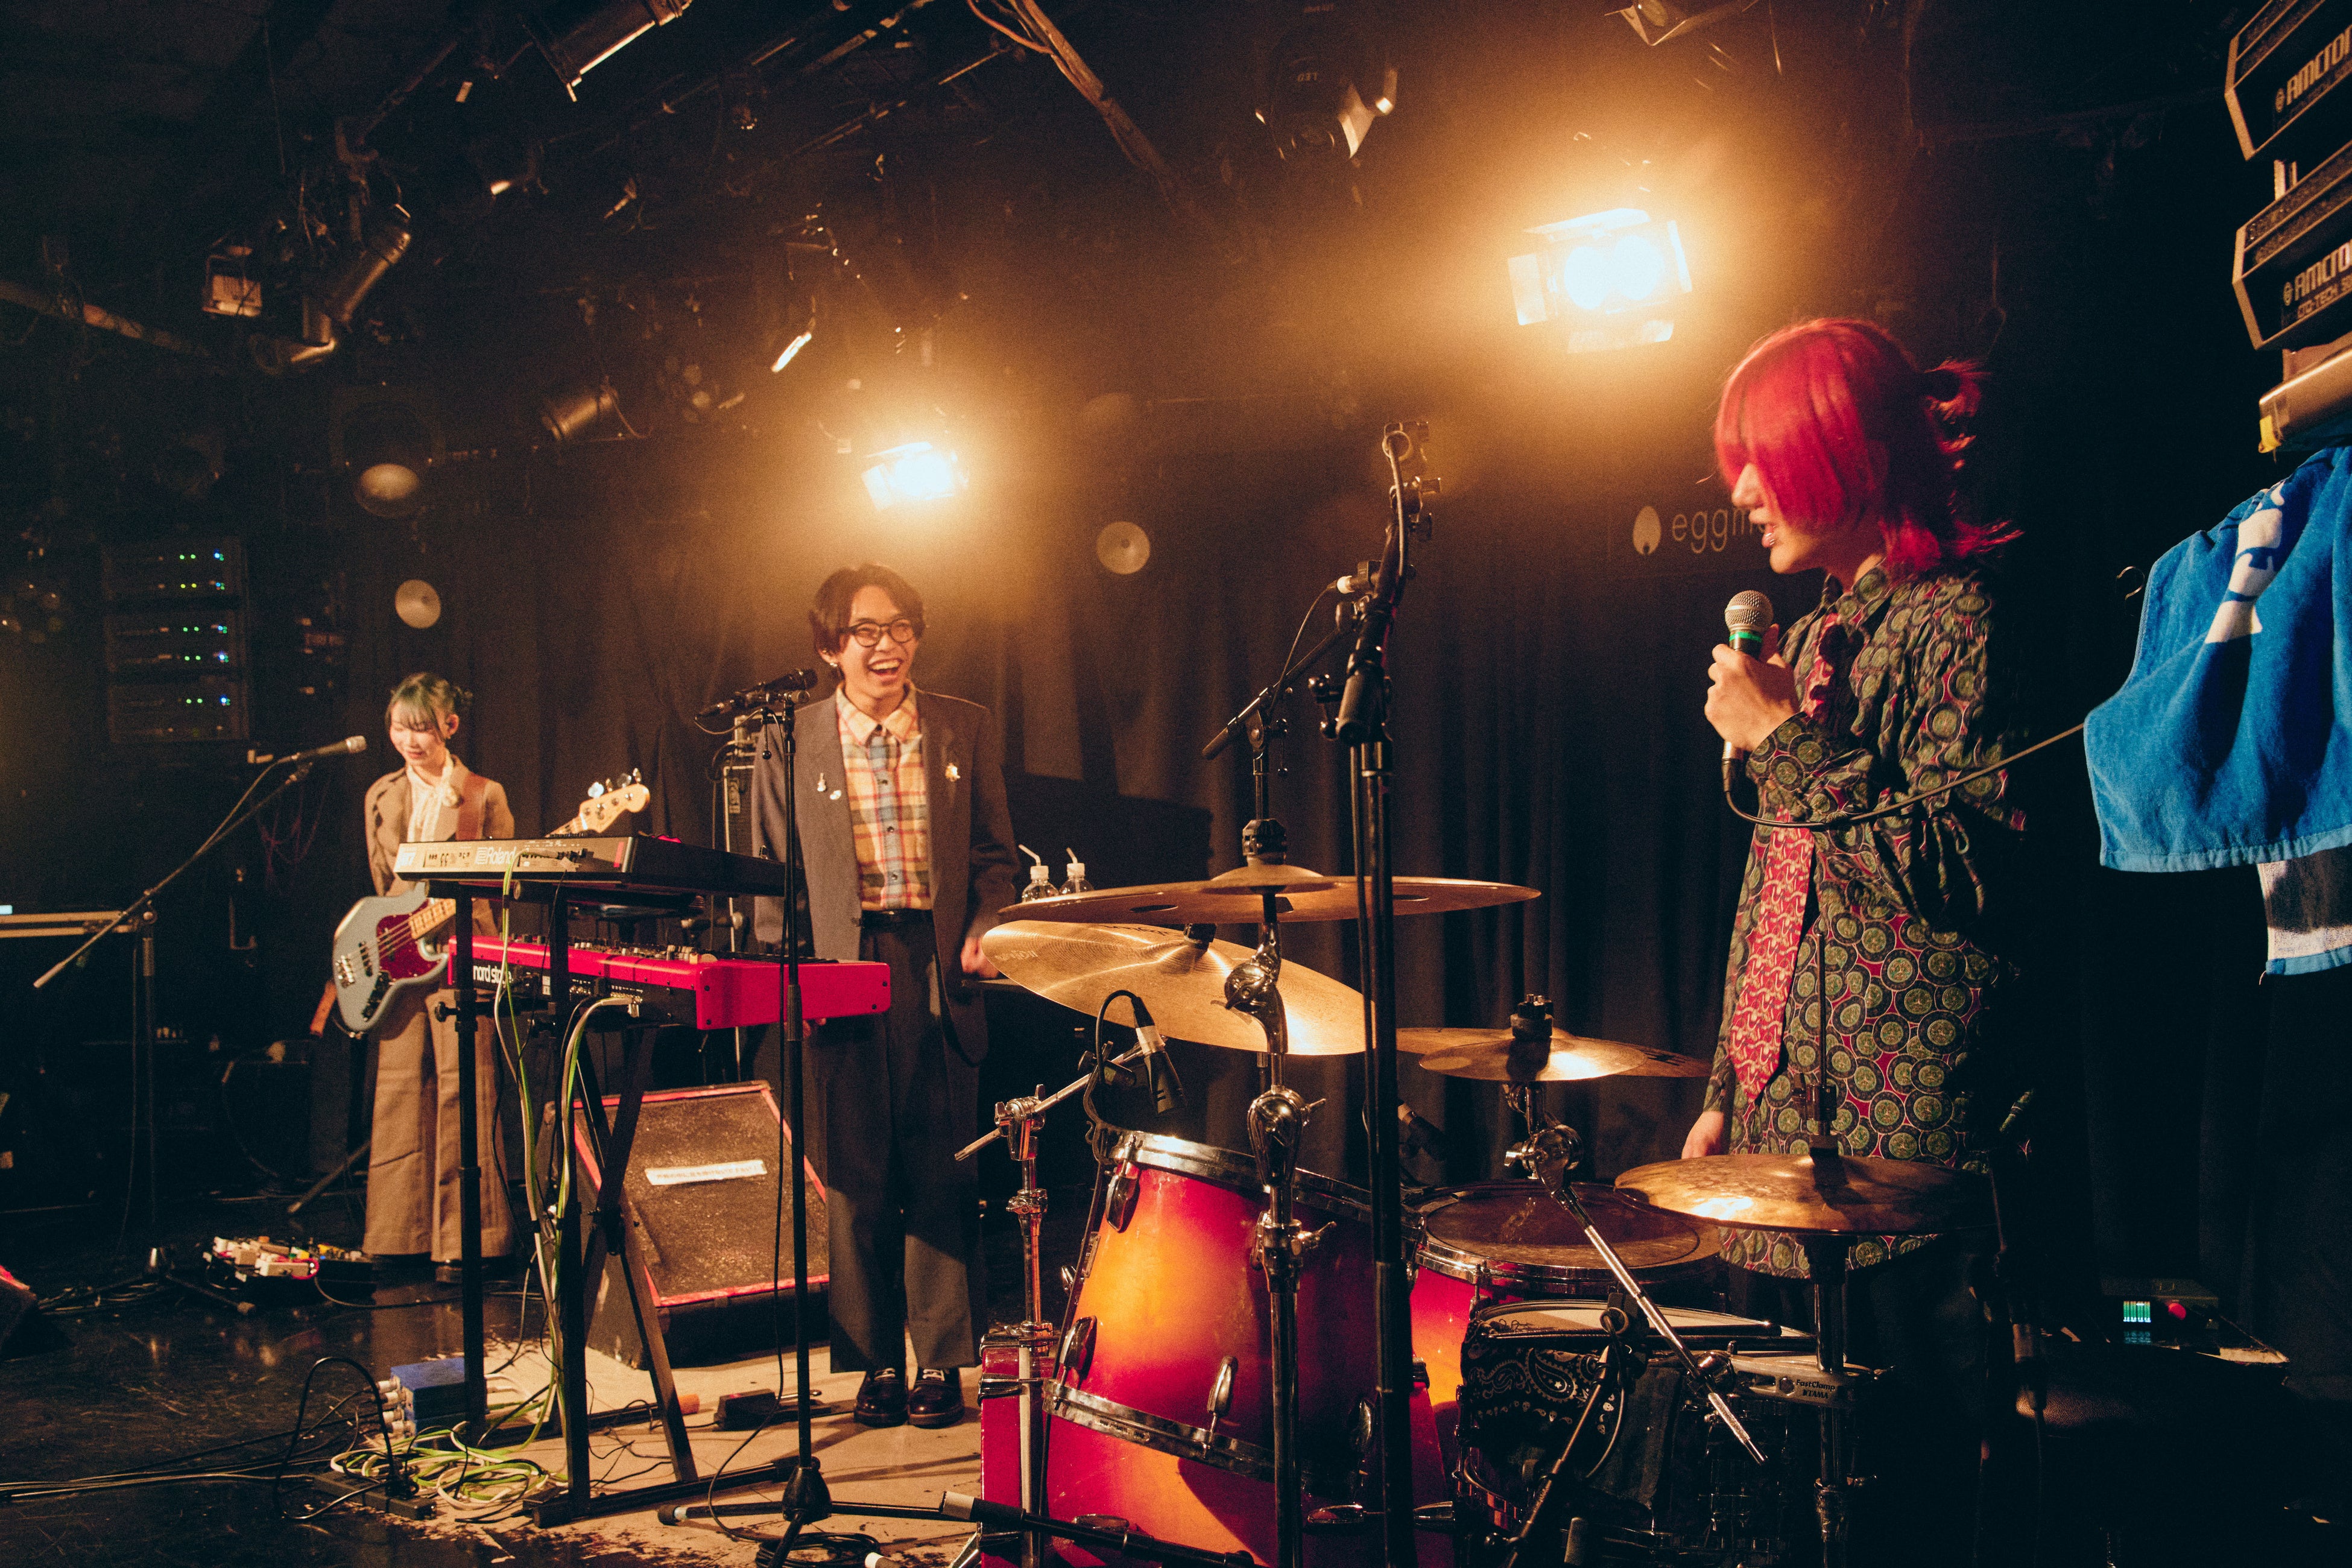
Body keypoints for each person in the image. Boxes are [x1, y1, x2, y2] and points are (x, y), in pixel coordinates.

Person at [1687, 318, 2025, 1563]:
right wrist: (1730, 1083)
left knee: (1907, 1509)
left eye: (1760, 458)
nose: (1740, 489)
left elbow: (1965, 866)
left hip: (1905, 1155)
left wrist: (1783, 742)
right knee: (1785, 1508)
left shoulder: (1958, 621)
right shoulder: (1831, 632)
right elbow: (1787, 880)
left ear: (1848, 454)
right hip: (1783, 1138)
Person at [750, 564, 1019, 1429]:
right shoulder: (791, 737)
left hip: (936, 962)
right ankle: (873, 1361)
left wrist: (987, 925)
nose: (887, 645)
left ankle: (941, 1359)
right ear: (831, 647)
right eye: (865, 631)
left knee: (943, 1165)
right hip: (840, 965)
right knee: (856, 1175)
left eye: (901, 627)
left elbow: (996, 856)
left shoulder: (962, 725)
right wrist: (792, 981)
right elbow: (772, 875)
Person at [359, 674, 517, 1277]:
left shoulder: (483, 795)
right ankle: (396, 1234)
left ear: (449, 726)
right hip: (400, 958)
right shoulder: (380, 794)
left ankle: (469, 1240)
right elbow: (382, 887)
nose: (410, 740)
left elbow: (505, 881)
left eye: (422, 727)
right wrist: (392, 940)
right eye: (399, 727)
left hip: (463, 951)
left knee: (465, 1089)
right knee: (397, 1090)